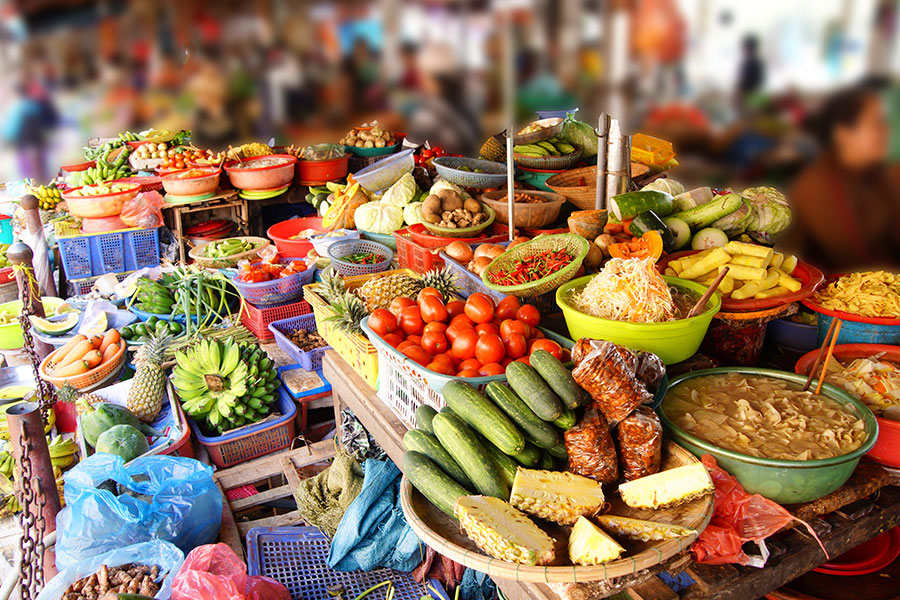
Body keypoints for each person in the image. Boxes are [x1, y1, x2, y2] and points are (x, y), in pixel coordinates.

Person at [786, 85, 900, 272]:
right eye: (876, 123)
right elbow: (857, 260)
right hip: (844, 290)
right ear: (843, 134)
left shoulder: (878, 174)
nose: (886, 130)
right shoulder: (815, 188)